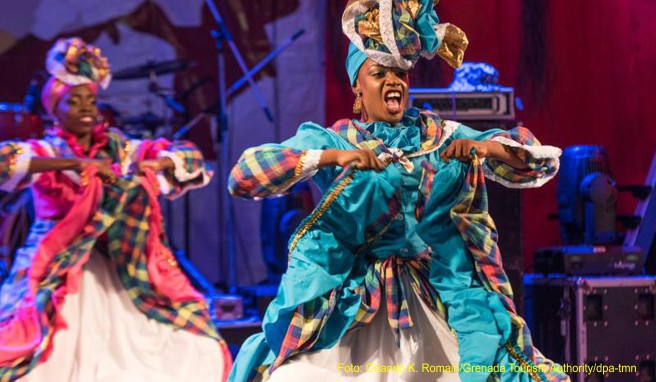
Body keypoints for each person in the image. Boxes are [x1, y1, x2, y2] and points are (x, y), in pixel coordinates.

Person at [227, 1, 570, 381]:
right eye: (379, 73)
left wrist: (484, 147)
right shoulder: (334, 139)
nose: (393, 81)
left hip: (434, 295)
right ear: (358, 84)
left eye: (399, 73)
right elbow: (243, 177)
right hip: (353, 302)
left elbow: (540, 162)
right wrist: (329, 157)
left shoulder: (438, 135)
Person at [0, 37, 231, 382]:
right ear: (53, 109)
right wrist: (73, 163)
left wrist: (159, 164)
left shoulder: (119, 148)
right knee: (44, 351)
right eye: (73, 102)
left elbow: (189, 159)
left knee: (185, 345)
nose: (85, 109)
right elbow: (6, 161)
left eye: (90, 100)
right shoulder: (46, 149)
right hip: (60, 263)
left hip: (123, 259)